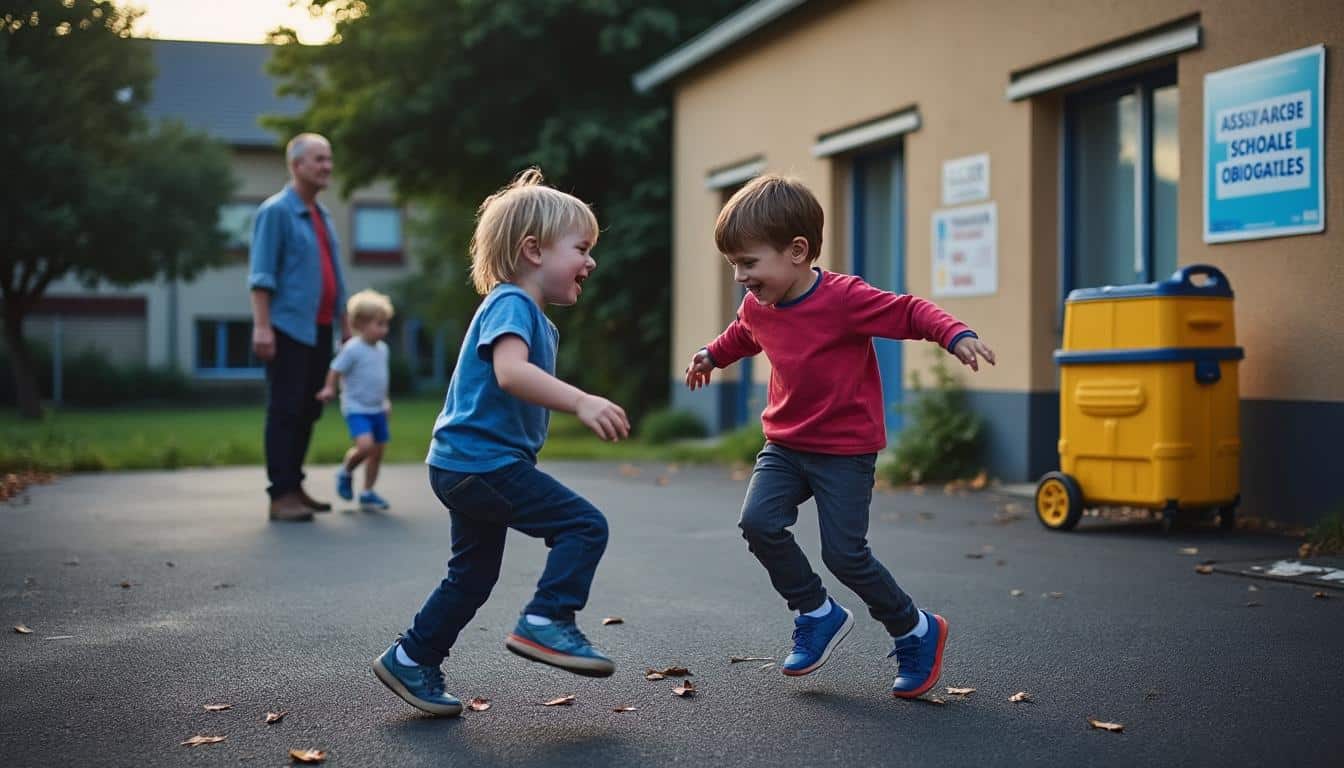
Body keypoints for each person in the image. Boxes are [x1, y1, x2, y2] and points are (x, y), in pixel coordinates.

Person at [683, 174, 997, 699]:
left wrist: (954, 333)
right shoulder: (759, 304)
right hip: (785, 444)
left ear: (797, 251)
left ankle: (915, 629)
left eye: (749, 263)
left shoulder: (845, 298)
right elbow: (745, 333)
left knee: (845, 555)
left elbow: (909, 311)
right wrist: (712, 355)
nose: (740, 277)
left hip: (844, 451)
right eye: (733, 265)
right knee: (758, 522)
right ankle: (815, 611)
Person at [372, 168, 630, 717]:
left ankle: (411, 657)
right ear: (533, 250)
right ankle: (547, 618)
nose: (591, 262)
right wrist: (582, 401)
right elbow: (511, 373)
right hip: (482, 464)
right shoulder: (511, 303)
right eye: (581, 248)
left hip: (466, 465)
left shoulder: (530, 316)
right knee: (583, 525)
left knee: (472, 575)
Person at [248, 133, 348, 522]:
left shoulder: (322, 214)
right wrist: (262, 327)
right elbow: (261, 275)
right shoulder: (276, 212)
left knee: (308, 409)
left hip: (320, 328)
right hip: (287, 327)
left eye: (329, 158)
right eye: (319, 159)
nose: (327, 166)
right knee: (285, 410)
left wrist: (344, 325)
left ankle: (294, 485)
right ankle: (280, 495)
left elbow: (335, 275)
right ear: (296, 165)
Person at [316, 289, 394, 511]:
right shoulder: (352, 349)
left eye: (386, 324)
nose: (384, 329)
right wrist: (329, 388)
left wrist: (386, 401)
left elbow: (380, 379)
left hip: (378, 409)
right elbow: (335, 369)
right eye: (379, 324)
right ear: (360, 324)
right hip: (357, 408)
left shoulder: (383, 350)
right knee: (365, 446)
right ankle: (346, 471)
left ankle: (368, 492)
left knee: (377, 452)